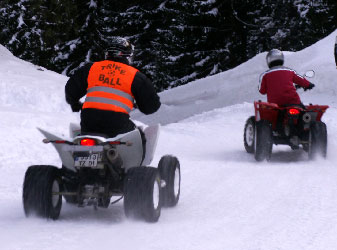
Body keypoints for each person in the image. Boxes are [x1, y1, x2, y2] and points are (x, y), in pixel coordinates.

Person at [65, 37, 161, 137]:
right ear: (128, 55)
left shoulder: (91, 68)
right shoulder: (135, 76)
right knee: (139, 137)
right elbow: (151, 107)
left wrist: (75, 104)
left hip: (89, 122)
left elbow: (71, 89)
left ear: (107, 53)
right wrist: (139, 104)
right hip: (117, 124)